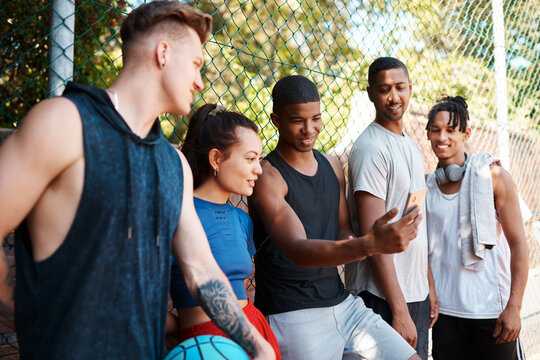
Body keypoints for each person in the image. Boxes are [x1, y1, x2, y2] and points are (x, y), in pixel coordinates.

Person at [0, 2, 275, 359]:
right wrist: (24, 316)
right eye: (195, 65)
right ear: (163, 53)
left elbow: (202, 270)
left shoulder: (172, 162)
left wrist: (258, 346)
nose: (200, 81)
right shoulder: (64, 123)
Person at [249, 74, 423, 360]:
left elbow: (343, 230)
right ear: (276, 120)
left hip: (342, 303)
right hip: (292, 313)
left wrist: (368, 239)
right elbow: (298, 249)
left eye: (316, 118)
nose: (309, 129)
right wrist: (370, 245)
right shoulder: (268, 176)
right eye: (297, 121)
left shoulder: (331, 165)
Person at [168, 103, 281, 359]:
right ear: (216, 158)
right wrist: (189, 330)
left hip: (255, 328)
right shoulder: (180, 213)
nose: (259, 169)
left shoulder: (242, 219)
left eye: (259, 159)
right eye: (250, 159)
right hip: (206, 344)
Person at [425, 95, 528, 360]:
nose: (442, 137)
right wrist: (432, 291)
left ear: (466, 133)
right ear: (427, 134)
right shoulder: (425, 187)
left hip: (492, 311)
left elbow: (519, 245)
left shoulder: (493, 176)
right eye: (435, 130)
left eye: (451, 130)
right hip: (446, 314)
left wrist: (514, 307)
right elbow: (422, 250)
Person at [345, 57, 434, 360]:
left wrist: (427, 286)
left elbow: (415, 220)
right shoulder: (371, 148)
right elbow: (374, 237)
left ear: (410, 88)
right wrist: (399, 310)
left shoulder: (408, 143)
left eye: (400, 87)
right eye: (384, 89)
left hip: (413, 292)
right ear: (371, 93)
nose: (394, 97)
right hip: (383, 296)